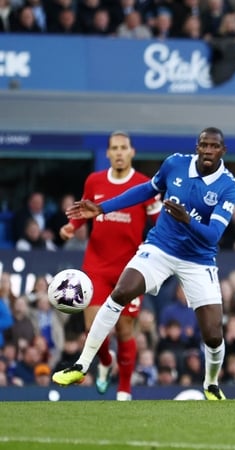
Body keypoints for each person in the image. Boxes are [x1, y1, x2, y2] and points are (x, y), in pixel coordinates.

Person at [52, 127, 235, 401]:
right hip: (160, 247)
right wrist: (103, 208)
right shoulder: (174, 164)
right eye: (204, 145)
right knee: (120, 292)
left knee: (213, 334)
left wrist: (187, 219)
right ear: (197, 147)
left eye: (214, 147)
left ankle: (211, 383)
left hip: (198, 259)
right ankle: (81, 365)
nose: (208, 151)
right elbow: (145, 190)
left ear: (223, 151)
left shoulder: (230, 185)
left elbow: (213, 235)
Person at [59, 131, 161, 401]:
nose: (118, 152)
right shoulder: (95, 180)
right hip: (96, 266)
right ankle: (105, 362)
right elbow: (84, 210)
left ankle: (124, 388)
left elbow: (159, 221)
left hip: (130, 269)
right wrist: (72, 226)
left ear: (131, 152)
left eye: (123, 148)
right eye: (114, 148)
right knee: (94, 330)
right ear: (107, 153)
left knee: (124, 329)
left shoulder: (145, 185)